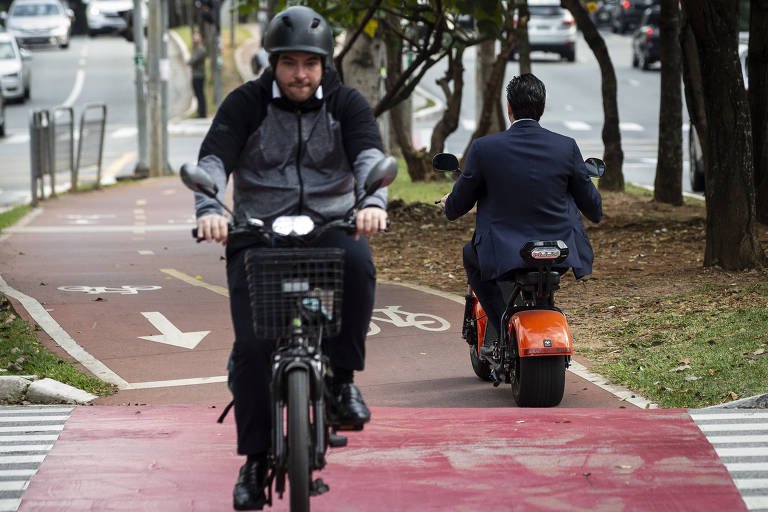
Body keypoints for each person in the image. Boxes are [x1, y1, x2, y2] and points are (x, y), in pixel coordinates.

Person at [191, 6, 388, 510]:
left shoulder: (346, 104)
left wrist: (371, 203)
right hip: (257, 232)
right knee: (254, 349)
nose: (300, 74)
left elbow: (368, 155)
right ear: (273, 62)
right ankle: (255, 461)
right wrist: (212, 207)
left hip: (330, 226)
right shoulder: (245, 103)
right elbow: (213, 160)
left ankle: (342, 381)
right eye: (290, 63)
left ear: (324, 64)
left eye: (310, 64)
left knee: (360, 265)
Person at [440, 73, 602, 356]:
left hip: (504, 252)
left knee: (470, 255)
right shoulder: (566, 147)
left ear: (508, 107)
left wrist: (447, 202)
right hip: (560, 251)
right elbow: (594, 208)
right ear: (542, 107)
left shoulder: (484, 149)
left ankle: (501, 322)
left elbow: (457, 207)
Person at [188, 31, 207, 119]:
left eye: (196, 36)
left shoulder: (201, 49)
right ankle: (200, 111)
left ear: (200, 38)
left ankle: (202, 113)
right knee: (197, 94)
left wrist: (189, 61)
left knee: (200, 94)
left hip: (199, 75)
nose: (194, 38)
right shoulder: (195, 48)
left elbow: (193, 60)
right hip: (195, 75)